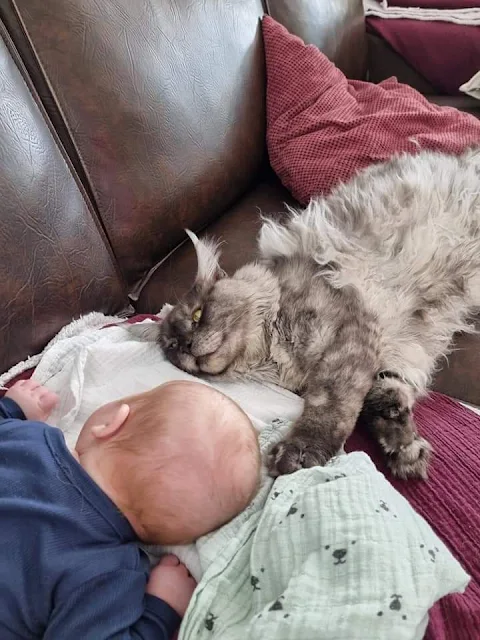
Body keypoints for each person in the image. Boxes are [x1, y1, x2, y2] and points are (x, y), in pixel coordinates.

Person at [0, 378, 260, 639]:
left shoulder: (30, 439)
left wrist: (13, 408)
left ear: (110, 424)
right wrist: (161, 610)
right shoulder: (107, 574)